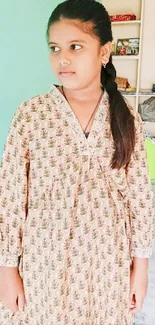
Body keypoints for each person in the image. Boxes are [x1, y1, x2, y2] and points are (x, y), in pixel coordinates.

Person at [0, 0, 154, 324]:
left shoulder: (126, 118)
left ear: (104, 52)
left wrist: (140, 268)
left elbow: (141, 199)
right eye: (54, 48)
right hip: (44, 262)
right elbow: (10, 198)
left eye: (75, 46)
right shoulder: (30, 116)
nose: (62, 58)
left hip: (107, 263)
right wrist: (7, 268)